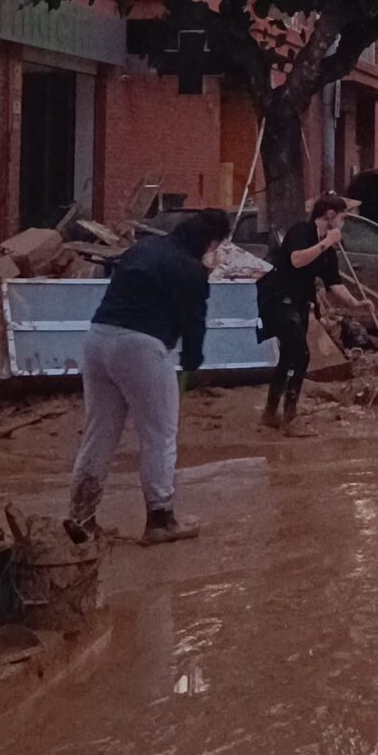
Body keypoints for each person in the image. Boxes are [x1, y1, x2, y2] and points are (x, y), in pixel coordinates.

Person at [66, 208, 232, 546]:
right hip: (142, 347)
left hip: (98, 338)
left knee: (99, 433)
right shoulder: (191, 269)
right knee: (160, 434)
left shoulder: (142, 248)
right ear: (212, 241)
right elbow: (194, 321)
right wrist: (192, 360)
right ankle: (160, 518)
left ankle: (80, 519)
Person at [258, 192, 352, 430]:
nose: (343, 224)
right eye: (342, 218)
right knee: (301, 354)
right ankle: (290, 415)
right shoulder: (301, 232)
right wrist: (326, 242)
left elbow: (334, 284)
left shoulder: (328, 250)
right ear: (329, 216)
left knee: (290, 355)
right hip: (278, 298)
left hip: (300, 302)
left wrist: (356, 303)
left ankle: (270, 413)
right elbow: (297, 260)